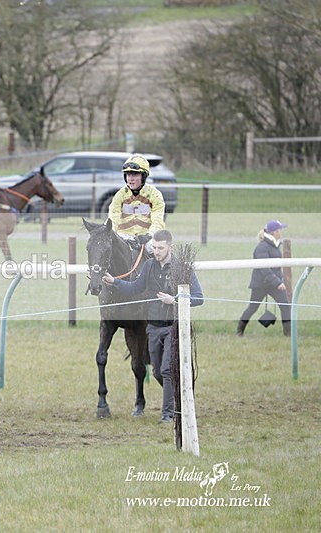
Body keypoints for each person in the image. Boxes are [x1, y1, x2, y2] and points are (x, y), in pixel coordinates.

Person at [102, 229, 203, 424]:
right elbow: (135, 288)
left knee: (166, 370)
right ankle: (180, 400)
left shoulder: (182, 269)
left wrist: (174, 300)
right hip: (153, 328)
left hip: (173, 326)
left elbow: (199, 298)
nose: (157, 252)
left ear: (169, 247)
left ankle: (168, 414)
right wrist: (114, 282)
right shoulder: (148, 266)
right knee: (157, 371)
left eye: (161, 248)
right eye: (155, 248)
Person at [236, 220, 291, 337]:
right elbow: (265, 269)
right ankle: (239, 331)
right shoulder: (262, 248)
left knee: (285, 306)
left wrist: (277, 281)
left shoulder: (275, 245)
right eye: (279, 230)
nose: (281, 232)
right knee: (253, 307)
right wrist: (278, 283)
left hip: (273, 283)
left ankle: (288, 334)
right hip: (260, 284)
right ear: (274, 232)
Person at [108, 154, 166, 251]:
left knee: (157, 249)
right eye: (128, 174)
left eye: (135, 174)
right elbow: (112, 218)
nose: (130, 178)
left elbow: (158, 222)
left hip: (148, 238)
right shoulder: (119, 195)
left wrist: (148, 236)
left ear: (143, 176)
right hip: (124, 237)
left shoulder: (155, 195)